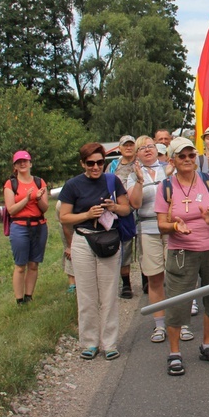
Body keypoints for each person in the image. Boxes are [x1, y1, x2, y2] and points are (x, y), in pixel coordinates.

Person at [154, 137, 209, 376]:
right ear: (173, 160)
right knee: (178, 301)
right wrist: (176, 227)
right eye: (181, 156)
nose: (187, 160)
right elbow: (160, 224)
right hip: (182, 251)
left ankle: (207, 345)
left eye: (191, 156)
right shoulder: (165, 186)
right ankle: (174, 353)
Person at [59, 143, 132, 361]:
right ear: (83, 163)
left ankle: (109, 343)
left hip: (108, 239)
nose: (95, 167)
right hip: (83, 239)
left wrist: (113, 207)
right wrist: (87, 214)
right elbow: (64, 217)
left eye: (100, 162)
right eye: (90, 163)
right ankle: (89, 342)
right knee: (86, 294)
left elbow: (126, 208)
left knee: (109, 293)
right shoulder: (73, 185)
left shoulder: (112, 180)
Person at [127, 136, 192, 343]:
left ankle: (182, 323)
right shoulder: (133, 175)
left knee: (177, 276)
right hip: (148, 229)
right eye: (142, 148)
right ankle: (160, 325)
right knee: (155, 278)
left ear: (157, 149)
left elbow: (181, 194)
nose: (147, 150)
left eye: (150, 146)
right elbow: (135, 204)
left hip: (172, 228)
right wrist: (139, 181)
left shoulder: (170, 169)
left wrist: (169, 177)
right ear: (136, 154)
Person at [4, 150, 48, 305]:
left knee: (34, 264)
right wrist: (27, 199)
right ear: (15, 166)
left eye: (25, 161)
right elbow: (11, 210)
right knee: (20, 265)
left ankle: (29, 296)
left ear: (30, 163)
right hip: (20, 227)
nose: (22, 164)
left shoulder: (39, 182)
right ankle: (19, 299)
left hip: (39, 226)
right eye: (19, 162)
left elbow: (45, 208)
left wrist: (37, 199)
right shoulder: (11, 184)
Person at [107, 134, 137, 299]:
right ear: (120, 147)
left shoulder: (139, 163)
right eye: (125, 145)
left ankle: (146, 280)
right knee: (124, 246)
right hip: (119, 210)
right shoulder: (113, 166)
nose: (128, 147)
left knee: (139, 247)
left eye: (131, 145)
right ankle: (126, 284)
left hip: (138, 208)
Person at [55, 200, 76, 293]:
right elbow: (65, 226)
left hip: (83, 223)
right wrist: (69, 246)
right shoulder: (62, 203)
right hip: (66, 224)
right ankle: (72, 283)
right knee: (69, 251)